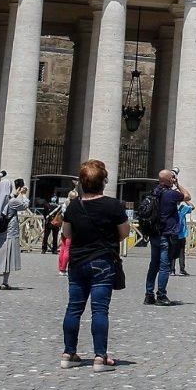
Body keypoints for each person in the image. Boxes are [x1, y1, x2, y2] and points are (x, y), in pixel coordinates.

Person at [60, 159, 129, 372]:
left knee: (74, 308)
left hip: (78, 262)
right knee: (100, 310)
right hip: (102, 261)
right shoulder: (113, 205)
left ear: (82, 182)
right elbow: (124, 233)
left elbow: (66, 233)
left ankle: (68, 354)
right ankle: (100, 357)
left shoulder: (73, 205)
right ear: (104, 182)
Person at [144, 168, 190, 306]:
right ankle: (161, 295)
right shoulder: (171, 194)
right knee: (164, 267)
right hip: (166, 234)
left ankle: (148, 294)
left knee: (153, 265)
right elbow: (187, 196)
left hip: (154, 234)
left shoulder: (153, 193)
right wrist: (177, 183)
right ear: (170, 180)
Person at [0, 178, 31, 290]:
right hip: (8, 231)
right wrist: (23, 194)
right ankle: (5, 282)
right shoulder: (12, 201)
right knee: (6, 256)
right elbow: (24, 205)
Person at [174, 197, 194, 276]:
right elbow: (193, 207)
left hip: (172, 233)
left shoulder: (171, 209)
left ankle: (172, 270)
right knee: (181, 252)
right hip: (182, 234)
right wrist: (186, 200)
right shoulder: (183, 209)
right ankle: (182, 270)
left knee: (172, 252)